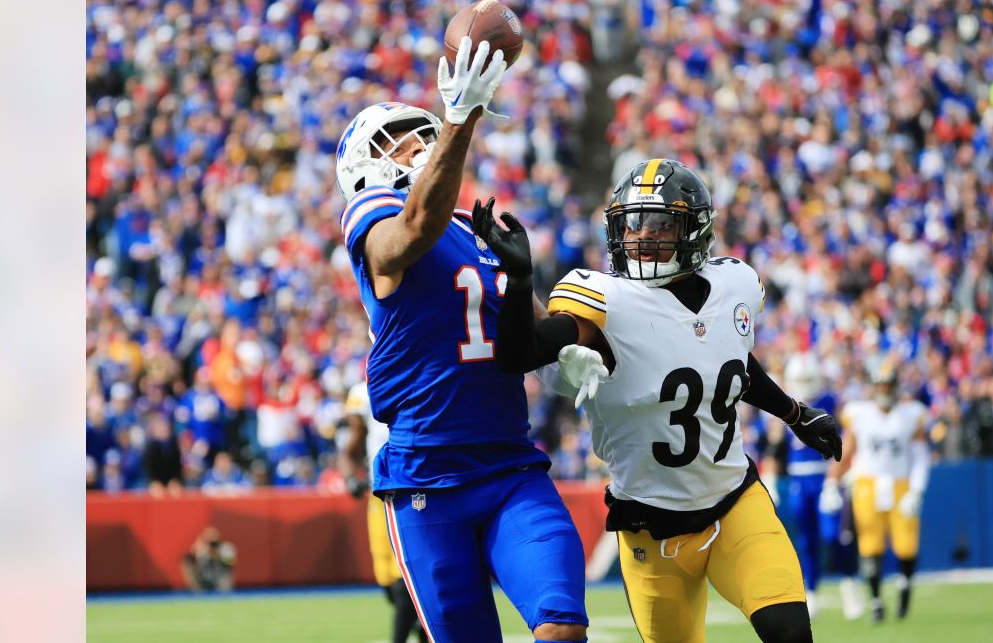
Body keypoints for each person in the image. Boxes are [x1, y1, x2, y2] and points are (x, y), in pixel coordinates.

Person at [480, 159, 842, 643]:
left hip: (735, 501)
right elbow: (517, 355)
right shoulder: (606, 302)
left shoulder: (734, 285)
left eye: (659, 223)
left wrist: (795, 413)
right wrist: (521, 281)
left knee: (791, 632)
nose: (642, 236)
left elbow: (730, 364)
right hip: (651, 526)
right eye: (633, 223)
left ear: (695, 230)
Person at [335, 37, 588, 643]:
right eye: (400, 141)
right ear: (363, 165)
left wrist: (569, 347)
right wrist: (459, 117)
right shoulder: (374, 217)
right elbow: (413, 229)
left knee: (561, 628)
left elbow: (526, 340)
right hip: (427, 477)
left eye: (425, 136)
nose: (418, 147)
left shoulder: (474, 231)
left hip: (509, 465)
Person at [822, 369, 931, 623]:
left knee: (906, 544)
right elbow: (846, 450)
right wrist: (831, 481)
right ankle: (876, 601)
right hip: (866, 484)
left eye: (888, 386)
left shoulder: (910, 414)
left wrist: (916, 490)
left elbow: (920, 456)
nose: (884, 391)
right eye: (880, 387)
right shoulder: (860, 415)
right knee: (870, 544)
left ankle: (904, 589)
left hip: (900, 484)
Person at [773, 352, 864, 620]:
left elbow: (849, 440)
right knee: (807, 539)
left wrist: (834, 479)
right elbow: (775, 443)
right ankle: (811, 592)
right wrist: (769, 473)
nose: (802, 383)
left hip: (826, 476)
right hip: (799, 479)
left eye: (806, 378)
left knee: (833, 535)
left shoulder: (830, 402)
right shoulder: (784, 403)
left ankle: (850, 584)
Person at [343, 380, 424, 643]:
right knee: (388, 582)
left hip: (414, 490)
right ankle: (424, 626)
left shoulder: (419, 378)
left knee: (407, 579)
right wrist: (349, 477)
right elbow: (351, 448)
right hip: (379, 495)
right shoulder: (362, 392)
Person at [181, 526, 238, 593]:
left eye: (214, 541)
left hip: (219, 578)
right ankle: (198, 592)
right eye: (209, 540)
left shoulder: (226, 548)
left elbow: (231, 565)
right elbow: (186, 561)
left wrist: (216, 555)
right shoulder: (200, 548)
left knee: (227, 575)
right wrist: (195, 552)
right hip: (203, 577)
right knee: (187, 567)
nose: (211, 544)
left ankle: (223, 592)